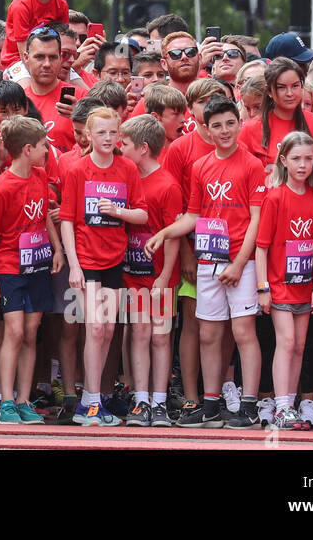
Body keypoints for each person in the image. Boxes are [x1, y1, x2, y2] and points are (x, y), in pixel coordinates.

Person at [150, 97, 267, 429]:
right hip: (208, 261)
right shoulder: (201, 166)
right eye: (216, 125)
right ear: (205, 128)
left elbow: (257, 220)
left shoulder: (252, 165)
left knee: (243, 331)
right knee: (208, 333)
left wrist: (240, 262)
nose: (225, 130)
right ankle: (211, 403)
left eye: (230, 123)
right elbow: (193, 215)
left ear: (239, 123)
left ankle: (248, 405)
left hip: (239, 263)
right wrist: (165, 233)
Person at [59, 108, 148, 426]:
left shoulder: (127, 168)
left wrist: (119, 211)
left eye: (113, 133)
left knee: (107, 330)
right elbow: (67, 220)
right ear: (89, 136)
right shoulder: (78, 170)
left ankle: (92, 400)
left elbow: (143, 215)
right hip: (86, 260)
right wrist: (74, 265)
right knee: (94, 328)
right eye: (102, 133)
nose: (108, 138)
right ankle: (90, 403)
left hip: (114, 260)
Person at [0, 118, 55, 424]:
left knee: (31, 332)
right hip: (10, 268)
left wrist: (58, 250)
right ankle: (6, 401)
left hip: (38, 265)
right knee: (13, 331)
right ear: (27, 149)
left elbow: (46, 216)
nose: (47, 149)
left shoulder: (40, 175)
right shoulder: (3, 187)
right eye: (43, 145)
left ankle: (24, 400)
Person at [254, 132, 313, 430]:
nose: (303, 165)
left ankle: (292, 401)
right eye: (296, 158)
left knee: (299, 346)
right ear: (283, 160)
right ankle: (282, 405)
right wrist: (263, 288)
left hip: (304, 286)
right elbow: (261, 246)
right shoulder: (275, 197)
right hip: (279, 285)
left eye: (308, 159)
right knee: (285, 342)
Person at [121, 115, 182, 428]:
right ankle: (141, 398)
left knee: (160, 337)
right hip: (133, 275)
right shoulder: (127, 177)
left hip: (160, 278)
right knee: (139, 333)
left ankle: (159, 401)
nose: (120, 148)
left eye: (126, 144)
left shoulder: (168, 185)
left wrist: (163, 277)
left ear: (143, 148)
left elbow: (172, 235)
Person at [239, 57, 313, 176]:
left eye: (295, 86)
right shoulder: (251, 129)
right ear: (269, 91)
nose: (290, 93)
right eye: (281, 87)